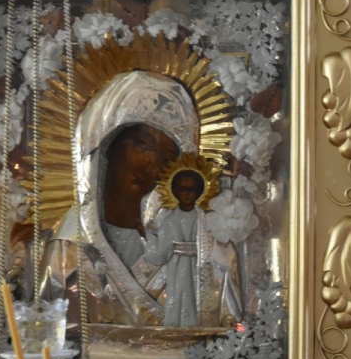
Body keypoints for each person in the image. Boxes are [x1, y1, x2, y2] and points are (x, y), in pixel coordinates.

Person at [40, 70, 241, 327]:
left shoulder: (207, 249)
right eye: (141, 144)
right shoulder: (67, 249)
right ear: (106, 144)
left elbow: (231, 333)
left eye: (167, 159)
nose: (151, 166)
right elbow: (44, 335)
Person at [144, 169, 205, 327]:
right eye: (182, 189)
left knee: (198, 296)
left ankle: (197, 326)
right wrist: (151, 236)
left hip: (201, 267)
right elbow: (161, 254)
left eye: (191, 190)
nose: (186, 194)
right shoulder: (169, 219)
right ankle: (175, 326)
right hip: (176, 266)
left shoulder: (205, 219)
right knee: (177, 294)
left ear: (199, 191)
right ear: (175, 191)